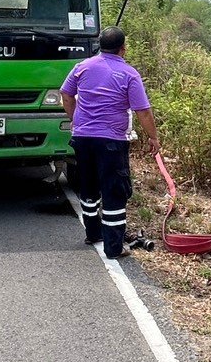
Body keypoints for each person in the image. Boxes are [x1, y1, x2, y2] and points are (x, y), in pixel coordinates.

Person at [60, 26, 160, 260]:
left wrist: (75, 120)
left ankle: (93, 233)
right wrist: (153, 138)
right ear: (123, 48)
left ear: (99, 45)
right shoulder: (128, 74)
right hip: (112, 141)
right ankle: (113, 247)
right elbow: (143, 111)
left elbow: (65, 95)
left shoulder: (82, 67)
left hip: (83, 139)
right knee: (114, 191)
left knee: (89, 185)